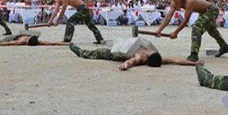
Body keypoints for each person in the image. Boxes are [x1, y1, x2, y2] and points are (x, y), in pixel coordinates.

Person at [154, 0, 228, 62]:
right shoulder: (174, 3)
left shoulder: (189, 1)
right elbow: (168, 17)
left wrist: (175, 32)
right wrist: (159, 30)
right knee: (212, 31)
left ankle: (194, 54)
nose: (174, 1)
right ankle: (224, 47)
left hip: (211, 10)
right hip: (203, 12)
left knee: (197, 27)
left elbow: (185, 20)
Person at [69, 41, 204, 71]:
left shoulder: (140, 58)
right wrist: (194, 63)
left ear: (146, 58)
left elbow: (131, 61)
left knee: (94, 53)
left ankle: (78, 50)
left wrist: (124, 66)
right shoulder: (156, 56)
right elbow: (176, 60)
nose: (149, 51)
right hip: (124, 45)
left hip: (116, 55)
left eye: (149, 53)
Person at [0, 34, 68, 46]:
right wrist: (65, 43)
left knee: (3, 40)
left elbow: (10, 43)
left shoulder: (22, 41)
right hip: (16, 36)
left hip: (14, 38)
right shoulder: (38, 41)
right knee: (2, 40)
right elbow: (52, 43)